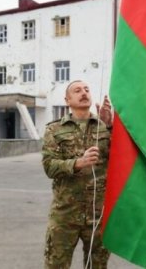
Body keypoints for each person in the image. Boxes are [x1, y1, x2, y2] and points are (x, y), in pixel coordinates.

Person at [42, 80, 112, 268]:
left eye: (87, 89)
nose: (84, 93)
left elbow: (121, 160)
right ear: (67, 100)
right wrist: (78, 163)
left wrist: (112, 126)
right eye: (77, 90)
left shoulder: (104, 126)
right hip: (65, 214)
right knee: (56, 265)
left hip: (98, 214)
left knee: (97, 265)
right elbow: (49, 166)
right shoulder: (54, 129)